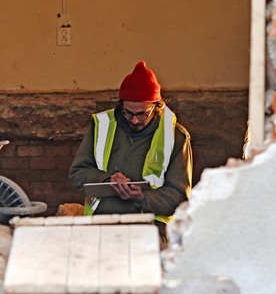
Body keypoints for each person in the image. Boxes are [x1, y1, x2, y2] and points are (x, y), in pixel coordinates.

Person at [69, 61, 192, 245]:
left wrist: (143, 197)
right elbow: (77, 173)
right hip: (102, 225)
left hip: (149, 232)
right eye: (128, 113)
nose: (134, 120)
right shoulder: (101, 127)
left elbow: (180, 197)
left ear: (156, 106)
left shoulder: (176, 137)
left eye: (142, 114)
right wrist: (108, 180)